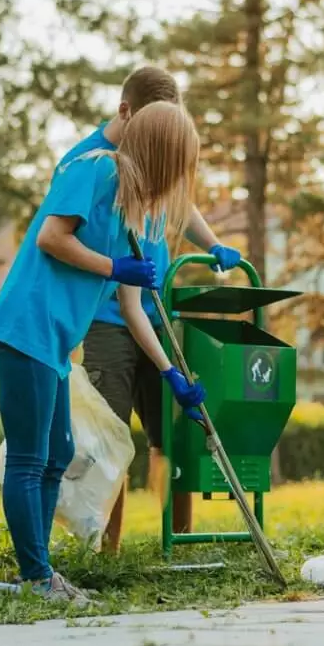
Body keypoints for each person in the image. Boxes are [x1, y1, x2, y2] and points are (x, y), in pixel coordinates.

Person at [0, 101, 208, 604]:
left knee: (57, 453)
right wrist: (112, 267)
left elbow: (133, 308)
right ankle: (37, 579)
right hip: (27, 326)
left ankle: (36, 577)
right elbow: (51, 237)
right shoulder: (97, 170)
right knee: (30, 457)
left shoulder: (135, 211)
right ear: (162, 153)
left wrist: (172, 376)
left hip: (55, 340)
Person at [57, 66, 240, 553]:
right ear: (127, 113)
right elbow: (58, 239)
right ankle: (106, 549)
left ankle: (176, 540)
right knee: (112, 439)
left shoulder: (160, 148)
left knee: (171, 435)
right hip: (109, 318)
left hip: (157, 312)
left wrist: (216, 244)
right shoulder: (91, 164)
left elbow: (181, 196)